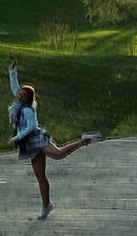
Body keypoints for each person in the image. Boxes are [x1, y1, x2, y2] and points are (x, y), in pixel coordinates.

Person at [8, 58, 101, 219]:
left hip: (35, 138)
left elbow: (30, 128)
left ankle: (85, 139)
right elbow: (14, 87)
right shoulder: (18, 105)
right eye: (19, 93)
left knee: (58, 154)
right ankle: (46, 206)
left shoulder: (28, 110)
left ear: (27, 98)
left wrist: (16, 138)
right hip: (28, 144)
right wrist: (12, 71)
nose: (19, 95)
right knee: (40, 176)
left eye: (22, 94)